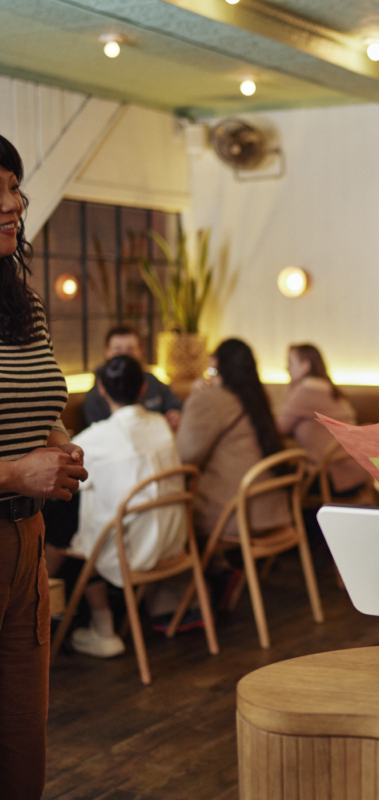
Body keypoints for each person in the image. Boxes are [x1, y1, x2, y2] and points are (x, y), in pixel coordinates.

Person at [0, 135, 88, 799]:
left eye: (16, 185)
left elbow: (44, 402)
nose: (18, 201)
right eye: (0, 188)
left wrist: (56, 443)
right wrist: (11, 473)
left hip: (24, 543)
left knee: (23, 744)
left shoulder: (22, 301)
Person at [45, 354, 187, 658]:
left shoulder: (94, 440)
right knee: (81, 517)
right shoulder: (162, 424)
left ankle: (99, 628)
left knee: (66, 522)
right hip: (174, 543)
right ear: (142, 390)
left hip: (128, 551)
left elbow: (64, 478)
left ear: (102, 391)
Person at [176, 338, 290, 540]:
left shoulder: (208, 400)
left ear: (215, 364)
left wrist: (194, 399)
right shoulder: (258, 396)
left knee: (172, 503)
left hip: (236, 513)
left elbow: (185, 458)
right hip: (272, 509)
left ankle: (214, 568)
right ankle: (224, 567)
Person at [276, 344, 368, 497]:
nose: (286, 368)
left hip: (333, 477)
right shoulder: (328, 388)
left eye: (290, 363)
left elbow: (279, 428)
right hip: (357, 473)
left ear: (305, 366)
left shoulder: (306, 389)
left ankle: (295, 521)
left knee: (275, 479)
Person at [83, 325, 182, 430]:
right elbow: (99, 432)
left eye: (130, 350)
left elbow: (175, 406)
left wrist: (175, 414)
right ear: (107, 352)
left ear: (140, 351)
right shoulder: (97, 394)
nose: (124, 355)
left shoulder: (152, 381)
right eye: (118, 350)